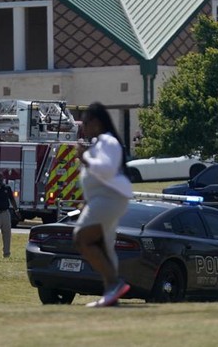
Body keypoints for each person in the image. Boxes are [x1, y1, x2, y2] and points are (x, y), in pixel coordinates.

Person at [72, 102, 133, 307]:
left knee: (82, 238)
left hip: (110, 198)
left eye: (86, 123)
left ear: (96, 122)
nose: (84, 128)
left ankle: (115, 283)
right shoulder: (100, 143)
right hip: (103, 198)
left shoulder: (108, 141)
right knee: (104, 247)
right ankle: (111, 295)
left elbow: (106, 169)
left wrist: (85, 157)